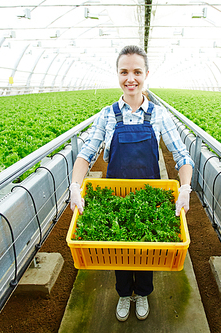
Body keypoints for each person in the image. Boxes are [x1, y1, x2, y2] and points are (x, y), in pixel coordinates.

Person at [69, 45, 194, 322]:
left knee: (147, 248)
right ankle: (125, 294)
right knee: (120, 249)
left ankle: (144, 293)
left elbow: (183, 156)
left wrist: (184, 187)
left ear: (146, 74)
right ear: (117, 75)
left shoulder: (159, 115)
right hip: (116, 193)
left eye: (137, 72)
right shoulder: (107, 114)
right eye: (124, 72)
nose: (131, 79)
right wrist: (75, 186)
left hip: (151, 193)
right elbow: (85, 154)